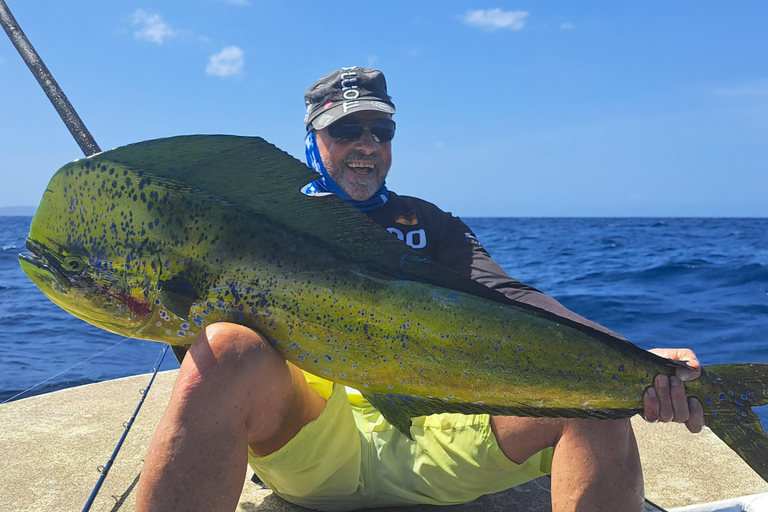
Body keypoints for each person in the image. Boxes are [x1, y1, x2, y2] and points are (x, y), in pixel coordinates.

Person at [136, 67, 704, 512]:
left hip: (443, 437)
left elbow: (511, 298)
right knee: (227, 350)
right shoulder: (263, 225)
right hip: (314, 442)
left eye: (380, 132)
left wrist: (634, 360)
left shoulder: (429, 222)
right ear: (313, 136)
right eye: (346, 130)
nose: (366, 144)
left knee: (591, 394)